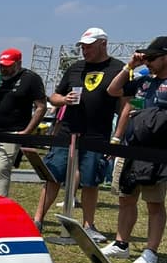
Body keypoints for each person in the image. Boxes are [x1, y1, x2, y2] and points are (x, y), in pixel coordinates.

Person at [33, 27, 126, 240]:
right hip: (67, 131)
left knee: (90, 180)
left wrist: (117, 137)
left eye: (89, 46)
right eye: (82, 47)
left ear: (103, 44)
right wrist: (62, 100)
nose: (85, 51)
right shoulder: (75, 67)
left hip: (97, 134)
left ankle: (88, 225)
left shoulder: (118, 68)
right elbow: (54, 95)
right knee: (53, 175)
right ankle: (38, 219)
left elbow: (124, 106)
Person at [101, 36, 167, 263]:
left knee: (154, 203)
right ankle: (121, 244)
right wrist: (130, 66)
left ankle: (151, 251)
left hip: (158, 153)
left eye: (152, 57)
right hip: (131, 147)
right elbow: (113, 90)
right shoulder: (143, 80)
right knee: (126, 198)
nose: (147, 61)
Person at [0, 48, 46, 197]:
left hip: (13, 131)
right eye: (1, 65)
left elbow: (41, 107)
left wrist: (27, 131)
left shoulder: (30, 78)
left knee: (1, 170)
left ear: (18, 64)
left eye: (7, 65)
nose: (3, 69)